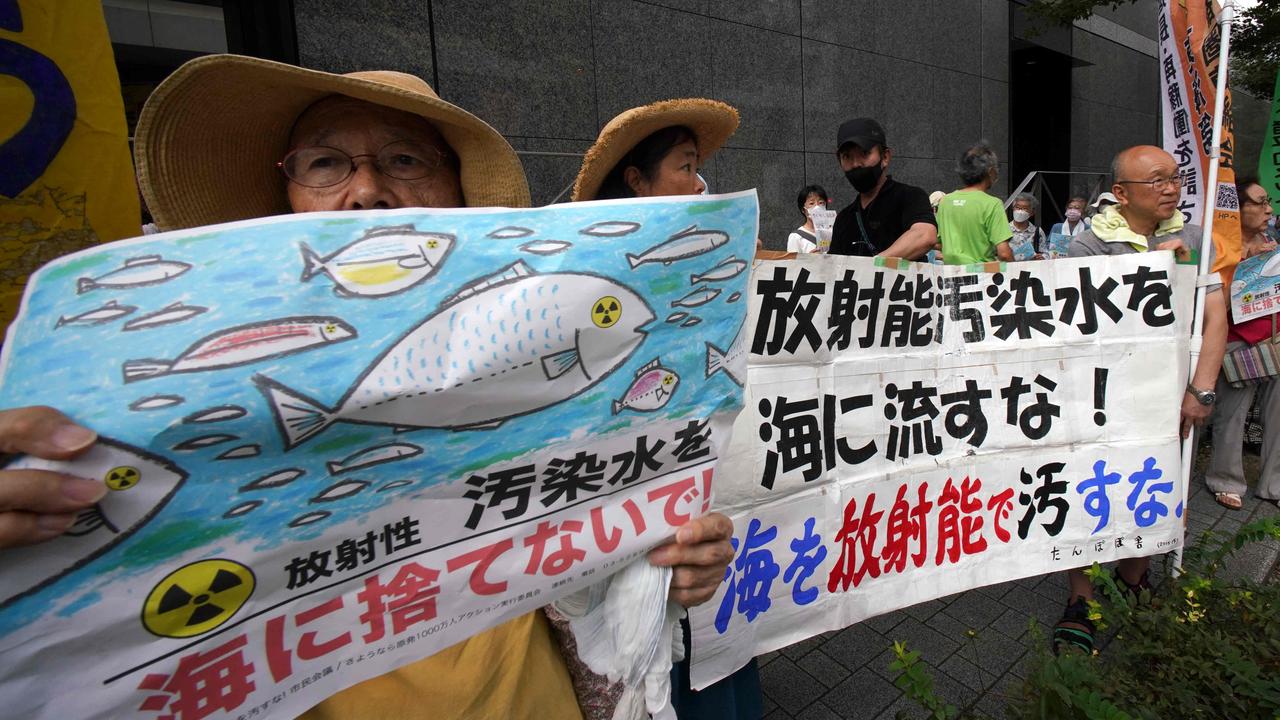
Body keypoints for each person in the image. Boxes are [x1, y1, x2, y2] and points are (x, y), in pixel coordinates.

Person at [5, 54, 736, 720]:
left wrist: (655, 572)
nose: (366, 192)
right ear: (283, 198)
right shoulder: (165, 402)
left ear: (455, 196)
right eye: (325, 163)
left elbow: (597, 552)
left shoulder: (540, 349)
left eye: (404, 158)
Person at [572, 97, 761, 720]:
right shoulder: (583, 284)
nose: (700, 180)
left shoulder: (709, 265)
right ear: (635, 178)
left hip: (692, 546)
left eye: (698, 164)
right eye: (685, 164)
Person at [1057, 144, 1228, 654]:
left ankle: (1135, 579)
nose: (1170, 187)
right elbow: (1083, 328)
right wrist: (1155, 263)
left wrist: (1201, 389)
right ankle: (1081, 600)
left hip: (1172, 398)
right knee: (1091, 496)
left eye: (1174, 178)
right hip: (1104, 398)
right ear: (1122, 193)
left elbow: (1215, 317)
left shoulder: (1196, 239)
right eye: (1156, 181)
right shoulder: (1087, 246)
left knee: (1155, 492)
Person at [1205, 178, 1279, 509]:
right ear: (1238, 208)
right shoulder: (1219, 247)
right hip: (1236, 343)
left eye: (1268, 203)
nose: (1269, 210)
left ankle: (1273, 485)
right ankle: (1226, 480)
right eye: (1260, 203)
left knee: (1277, 416)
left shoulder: (1271, 241)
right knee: (1232, 415)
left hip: (1274, 340)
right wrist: (1244, 260)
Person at [826, 117, 937, 260]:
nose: (855, 164)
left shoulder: (910, 197)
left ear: (885, 157)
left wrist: (872, 267)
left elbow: (924, 235)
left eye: (864, 153)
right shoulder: (844, 219)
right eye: (847, 156)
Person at [935, 143, 1012, 265]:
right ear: (990, 171)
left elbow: (937, 242)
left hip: (950, 276)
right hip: (982, 277)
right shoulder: (992, 204)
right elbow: (1004, 253)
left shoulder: (946, 201)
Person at [787, 184, 829, 253]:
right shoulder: (796, 237)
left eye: (821, 203)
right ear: (803, 210)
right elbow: (792, 263)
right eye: (811, 203)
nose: (817, 207)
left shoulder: (832, 233)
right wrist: (809, 259)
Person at [1008, 193, 1046, 260]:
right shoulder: (1004, 229)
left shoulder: (1037, 232)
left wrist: (1041, 257)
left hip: (1030, 268)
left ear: (1032, 212)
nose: (1020, 211)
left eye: (1024, 208)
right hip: (1008, 268)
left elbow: (1044, 252)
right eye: (1017, 207)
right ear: (1013, 208)